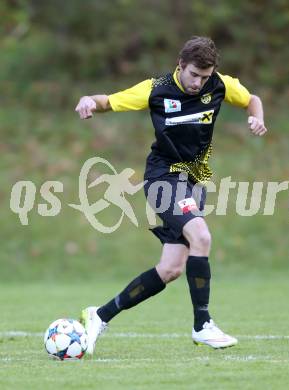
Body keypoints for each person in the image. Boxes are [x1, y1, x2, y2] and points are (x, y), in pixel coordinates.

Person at [75, 36, 267, 353]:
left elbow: (252, 99)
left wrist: (257, 117)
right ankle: (202, 324)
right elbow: (108, 102)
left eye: (204, 77)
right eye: (194, 74)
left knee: (171, 269)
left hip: (192, 181)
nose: (198, 83)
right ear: (180, 65)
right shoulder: (156, 88)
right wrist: (87, 100)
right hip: (163, 177)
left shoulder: (220, 84)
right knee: (201, 237)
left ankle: (99, 315)